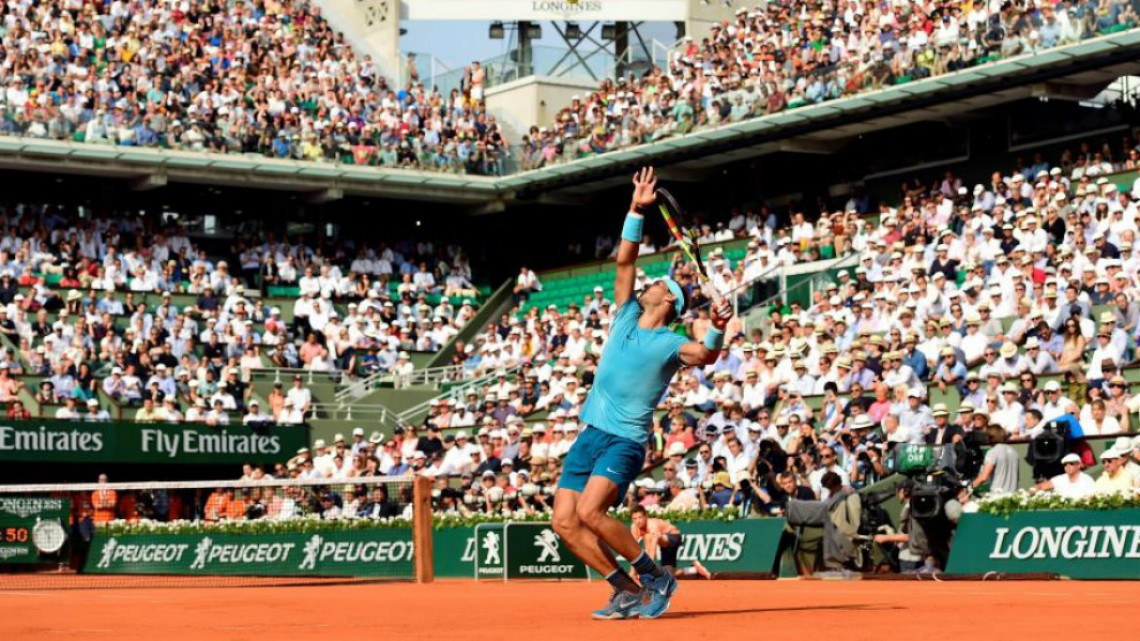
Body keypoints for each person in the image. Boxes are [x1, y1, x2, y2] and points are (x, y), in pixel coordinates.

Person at [552, 167, 731, 621]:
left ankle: (656, 576)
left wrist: (720, 328)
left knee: (592, 512)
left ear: (669, 300)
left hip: (624, 440)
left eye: (657, 285)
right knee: (564, 522)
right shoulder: (625, 316)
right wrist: (635, 209)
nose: (647, 283)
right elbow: (625, 261)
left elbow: (706, 356)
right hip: (590, 433)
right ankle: (626, 590)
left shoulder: (670, 344)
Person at [629, 505, 711, 580]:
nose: (638, 521)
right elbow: (634, 551)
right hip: (665, 546)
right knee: (669, 576)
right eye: (634, 519)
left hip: (674, 537)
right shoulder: (634, 527)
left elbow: (652, 550)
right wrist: (631, 573)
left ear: (646, 516)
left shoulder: (652, 525)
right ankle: (693, 569)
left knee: (651, 537)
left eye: (640, 517)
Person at [971, 426, 1019, 494]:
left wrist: (969, 487)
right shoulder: (1014, 452)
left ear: (990, 437)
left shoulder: (992, 452)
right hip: (1014, 497)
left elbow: (983, 477)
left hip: (998, 498)